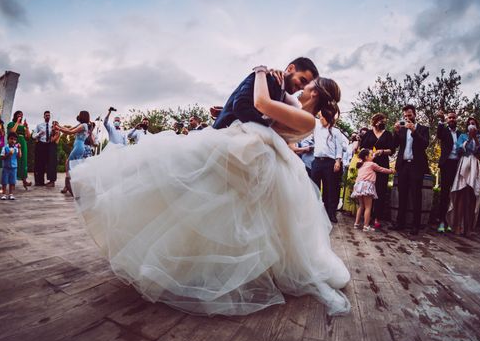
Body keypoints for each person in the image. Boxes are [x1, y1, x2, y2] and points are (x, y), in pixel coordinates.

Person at [71, 68, 350, 317]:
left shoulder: (307, 120)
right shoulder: (299, 109)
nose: (302, 88)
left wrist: (262, 72)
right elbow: (274, 101)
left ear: (315, 92)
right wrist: (273, 79)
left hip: (255, 153)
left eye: (308, 85)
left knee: (210, 195)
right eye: (303, 82)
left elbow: (263, 103)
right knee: (228, 207)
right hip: (257, 152)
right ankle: (210, 265)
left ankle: (208, 269)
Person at [212, 57, 319, 129]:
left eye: (306, 86)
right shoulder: (267, 79)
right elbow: (241, 106)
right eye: (302, 80)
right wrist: (268, 131)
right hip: (227, 137)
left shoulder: (281, 92)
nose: (302, 87)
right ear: (290, 68)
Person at [391, 104, 430, 235]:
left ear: (415, 114)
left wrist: (414, 131)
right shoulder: (401, 129)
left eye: (410, 115)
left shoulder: (423, 129)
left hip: (416, 166)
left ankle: (415, 226)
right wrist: (395, 131)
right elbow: (395, 145)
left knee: (416, 195)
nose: (407, 118)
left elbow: (425, 144)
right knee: (402, 195)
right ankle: (399, 223)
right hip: (403, 166)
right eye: (405, 116)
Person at [446, 118, 480, 236]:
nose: (471, 125)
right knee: (461, 196)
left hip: (474, 165)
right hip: (464, 163)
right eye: (469, 124)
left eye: (473, 123)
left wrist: (475, 138)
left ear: (477, 126)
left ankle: (468, 228)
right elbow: (459, 149)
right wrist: (469, 138)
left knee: (471, 197)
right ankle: (457, 226)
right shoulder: (463, 136)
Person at [358, 113, 395, 228]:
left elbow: (392, 150)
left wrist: (382, 151)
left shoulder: (388, 134)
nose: (382, 123)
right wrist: (369, 152)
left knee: (380, 190)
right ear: (375, 121)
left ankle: (377, 217)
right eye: (380, 121)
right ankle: (366, 217)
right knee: (367, 189)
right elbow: (361, 148)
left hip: (382, 164)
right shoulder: (368, 133)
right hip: (368, 165)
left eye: (384, 121)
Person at [311, 113, 347, 223]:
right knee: (314, 187)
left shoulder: (336, 131)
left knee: (330, 189)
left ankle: (330, 213)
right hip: (317, 162)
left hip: (330, 162)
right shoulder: (316, 128)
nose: (320, 118)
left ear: (329, 118)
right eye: (320, 116)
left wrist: (338, 161)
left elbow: (339, 148)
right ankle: (314, 212)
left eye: (322, 116)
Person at [351, 148, 395, 231]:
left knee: (361, 206)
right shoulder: (372, 164)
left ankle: (356, 224)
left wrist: (373, 155)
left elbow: (369, 157)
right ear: (367, 157)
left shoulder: (361, 164)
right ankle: (366, 226)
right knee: (368, 207)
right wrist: (391, 171)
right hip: (367, 186)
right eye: (371, 155)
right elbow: (382, 169)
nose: (373, 155)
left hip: (359, 186)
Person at [435, 110, 461, 233]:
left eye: (453, 118)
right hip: (446, 165)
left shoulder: (461, 134)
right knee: (444, 193)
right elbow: (439, 135)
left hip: (458, 165)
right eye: (449, 118)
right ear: (447, 120)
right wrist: (440, 120)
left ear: (456, 120)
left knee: (455, 194)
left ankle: (451, 222)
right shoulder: (444, 131)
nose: (451, 119)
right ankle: (441, 221)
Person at [55, 111, 92, 197]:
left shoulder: (84, 125)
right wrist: (59, 126)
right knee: (73, 166)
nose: (78, 115)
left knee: (69, 164)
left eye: (80, 114)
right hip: (78, 146)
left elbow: (70, 133)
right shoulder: (82, 125)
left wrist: (58, 128)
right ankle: (71, 186)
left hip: (79, 146)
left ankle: (70, 187)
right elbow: (69, 129)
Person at [7, 111, 31, 190]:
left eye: (21, 115)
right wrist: (17, 122)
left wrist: (27, 127)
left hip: (23, 143)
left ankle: (24, 181)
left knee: (23, 161)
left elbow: (28, 136)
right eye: (18, 115)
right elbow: (12, 132)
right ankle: (12, 182)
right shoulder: (12, 123)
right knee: (14, 161)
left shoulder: (23, 125)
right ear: (15, 116)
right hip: (15, 142)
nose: (20, 116)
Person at [32, 110, 57, 187]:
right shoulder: (39, 125)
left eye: (49, 115)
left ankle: (47, 181)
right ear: (44, 116)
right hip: (40, 145)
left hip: (48, 145)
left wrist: (53, 131)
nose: (48, 117)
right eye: (46, 115)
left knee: (47, 163)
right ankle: (38, 181)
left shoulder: (51, 127)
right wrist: (39, 133)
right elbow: (33, 136)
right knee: (39, 163)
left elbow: (53, 137)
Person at [0, 133, 21, 201]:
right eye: (11, 139)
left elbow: (19, 156)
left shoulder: (16, 148)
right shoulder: (4, 148)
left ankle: (11, 194)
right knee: (4, 181)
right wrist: (8, 154)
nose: (13, 141)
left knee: (12, 181)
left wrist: (19, 149)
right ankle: (4, 194)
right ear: (8, 139)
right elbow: (2, 157)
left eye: (15, 140)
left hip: (14, 167)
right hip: (6, 167)